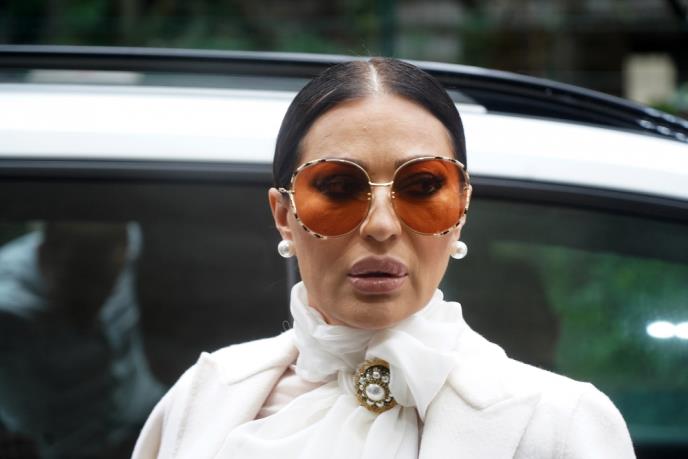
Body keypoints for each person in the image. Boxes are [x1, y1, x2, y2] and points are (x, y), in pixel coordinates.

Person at [132, 58, 635, 458]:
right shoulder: (206, 396)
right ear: (284, 215)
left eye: (422, 186)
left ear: (461, 210)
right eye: (338, 186)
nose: (381, 226)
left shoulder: (559, 424)